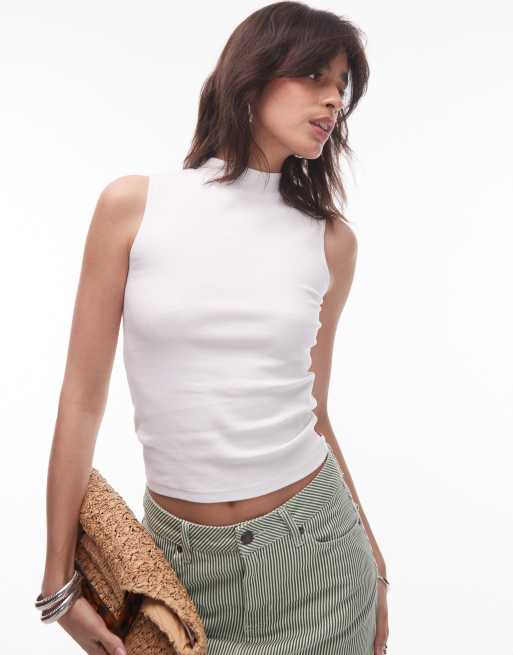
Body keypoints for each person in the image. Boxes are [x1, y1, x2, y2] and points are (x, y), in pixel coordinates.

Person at [38, 2, 389, 654]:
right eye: (315, 75)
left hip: (317, 559)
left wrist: (374, 562)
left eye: (342, 87)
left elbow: (314, 409)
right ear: (253, 75)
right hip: (179, 572)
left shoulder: (331, 242)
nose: (333, 99)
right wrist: (58, 577)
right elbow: (81, 399)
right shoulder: (132, 208)